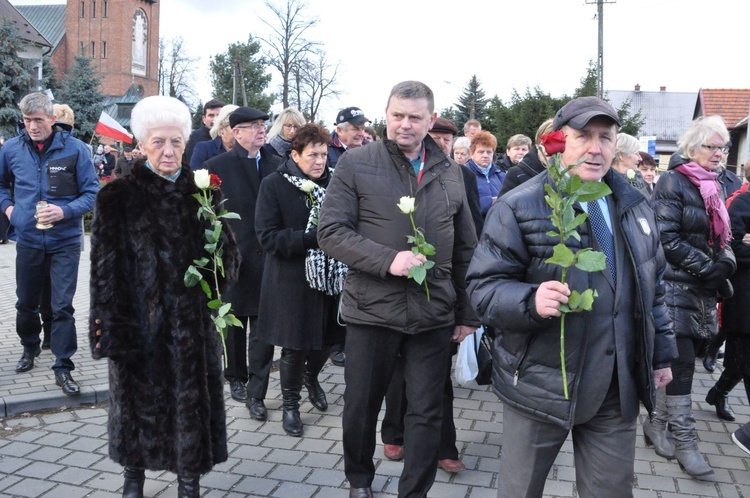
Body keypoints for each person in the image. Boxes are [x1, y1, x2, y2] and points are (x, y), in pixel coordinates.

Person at [466, 96, 676, 497]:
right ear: (561, 140)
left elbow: (655, 287)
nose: (595, 148)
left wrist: (661, 354)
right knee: (520, 490)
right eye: (584, 136)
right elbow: (482, 289)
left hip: (615, 385)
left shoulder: (635, 205)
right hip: (542, 384)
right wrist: (530, 300)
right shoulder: (519, 205)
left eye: (605, 137)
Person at [318, 80, 479, 498]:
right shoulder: (356, 163)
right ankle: (359, 480)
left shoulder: (452, 172)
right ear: (385, 114)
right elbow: (331, 231)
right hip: (372, 310)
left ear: (431, 119)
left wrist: (467, 313)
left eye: (415, 117)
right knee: (360, 406)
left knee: (426, 411)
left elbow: (466, 248)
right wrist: (388, 260)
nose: (404, 125)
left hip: (433, 312)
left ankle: (414, 491)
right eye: (397, 116)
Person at [89, 95, 239, 498]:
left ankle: (188, 480)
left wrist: (220, 252)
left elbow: (229, 263)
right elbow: (103, 272)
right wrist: (110, 330)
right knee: (137, 403)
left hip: (191, 325)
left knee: (191, 403)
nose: (169, 151)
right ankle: (133, 476)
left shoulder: (204, 192)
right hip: (138, 323)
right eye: (158, 142)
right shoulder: (117, 196)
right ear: (142, 143)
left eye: (176, 142)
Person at [379, 116, 482, 474]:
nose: (440, 143)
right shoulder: (392, 170)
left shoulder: (459, 175)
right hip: (392, 291)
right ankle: (394, 432)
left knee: (437, 379)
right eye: (435, 136)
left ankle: (444, 445)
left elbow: (469, 239)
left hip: (439, 294)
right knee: (396, 372)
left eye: (446, 138)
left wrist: (467, 310)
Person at [652, 115, 736, 478]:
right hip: (672, 287)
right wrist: (708, 267)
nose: (719, 153)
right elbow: (666, 239)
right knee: (682, 363)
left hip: (700, 292)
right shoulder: (674, 181)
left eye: (723, 147)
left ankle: (655, 424)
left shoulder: (715, 185)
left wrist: (727, 263)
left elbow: (724, 237)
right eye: (712, 146)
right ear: (691, 147)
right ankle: (686, 441)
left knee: (678, 364)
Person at [0, 91, 99, 396]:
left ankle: (63, 365)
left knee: (62, 306)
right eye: (27, 120)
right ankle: (30, 348)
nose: (32, 126)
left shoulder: (76, 150)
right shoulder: (12, 149)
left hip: (65, 241)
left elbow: (93, 193)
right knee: (25, 302)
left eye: (38, 119)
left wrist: (64, 210)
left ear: (52, 119)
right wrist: (10, 210)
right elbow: (2, 184)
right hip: (28, 239)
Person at [255, 123, 346, 437]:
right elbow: (267, 237)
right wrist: (309, 239)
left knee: (332, 338)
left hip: (331, 276)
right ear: (294, 155)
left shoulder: (335, 183)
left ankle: (312, 377)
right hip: (291, 279)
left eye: (323, 154)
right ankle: (290, 405)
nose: (320, 161)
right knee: (295, 346)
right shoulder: (274, 184)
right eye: (312, 155)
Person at [203, 107, 282, 416]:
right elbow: (207, 215)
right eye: (251, 126)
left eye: (262, 125)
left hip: (269, 259)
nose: (260, 130)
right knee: (234, 324)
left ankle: (256, 389)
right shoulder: (216, 166)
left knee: (263, 328)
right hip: (234, 257)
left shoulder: (278, 164)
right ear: (235, 133)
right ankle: (235, 376)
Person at [702, 159, 750, 422]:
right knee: (742, 359)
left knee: (740, 362)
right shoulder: (741, 202)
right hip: (743, 296)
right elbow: (731, 248)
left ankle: (719, 392)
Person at [499, 118, 553, 197]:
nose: (551, 149)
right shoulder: (516, 174)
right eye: (547, 142)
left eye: (523, 149)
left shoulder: (570, 174)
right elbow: (504, 206)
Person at [465, 130, 505, 218]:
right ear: (471, 154)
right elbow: (465, 206)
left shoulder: (501, 176)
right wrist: (491, 201)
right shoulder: (464, 174)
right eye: (481, 152)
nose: (485, 155)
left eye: (489, 152)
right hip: (475, 226)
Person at [189, 104, 239, 170]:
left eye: (243, 128)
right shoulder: (204, 149)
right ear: (222, 128)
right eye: (234, 127)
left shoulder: (248, 150)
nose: (239, 132)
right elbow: (194, 175)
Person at [327, 106, 371, 170]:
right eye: (355, 129)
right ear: (340, 130)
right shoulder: (325, 151)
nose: (361, 134)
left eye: (363, 128)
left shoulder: (370, 149)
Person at [185, 99, 224, 164]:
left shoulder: (228, 139)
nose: (215, 119)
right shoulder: (192, 138)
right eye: (211, 115)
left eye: (218, 115)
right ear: (204, 119)